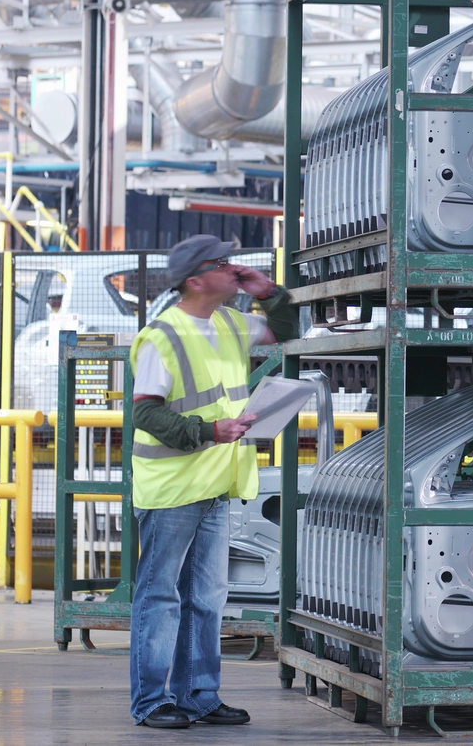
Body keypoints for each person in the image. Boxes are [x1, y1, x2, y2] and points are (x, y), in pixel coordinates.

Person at [127, 235, 300, 729]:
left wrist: (268, 291)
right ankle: (151, 701)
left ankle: (199, 696)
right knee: (161, 597)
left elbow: (288, 331)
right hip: (173, 490)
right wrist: (209, 432)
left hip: (218, 485)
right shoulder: (163, 336)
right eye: (222, 263)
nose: (234, 268)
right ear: (196, 279)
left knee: (207, 599)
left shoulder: (228, 322)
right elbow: (145, 415)